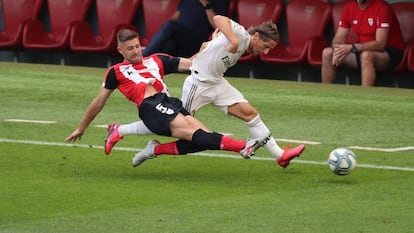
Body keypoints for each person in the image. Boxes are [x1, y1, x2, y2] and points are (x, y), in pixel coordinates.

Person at [105, 16, 305, 168]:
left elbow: (212, 50)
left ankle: (280, 156)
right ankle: (144, 143)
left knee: (249, 113)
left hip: (217, 83)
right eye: (266, 46)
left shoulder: (241, 42)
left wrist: (214, 42)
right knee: (183, 131)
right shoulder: (242, 35)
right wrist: (233, 40)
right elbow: (218, 18)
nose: (266, 52)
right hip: (198, 84)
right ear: (256, 36)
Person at [65, 28, 264, 167]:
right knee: (195, 133)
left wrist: (209, 47)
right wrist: (81, 127)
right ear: (120, 50)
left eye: (137, 46)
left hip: (169, 103)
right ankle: (243, 146)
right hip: (150, 106)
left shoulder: (156, 59)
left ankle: (153, 149)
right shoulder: (116, 72)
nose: (136, 51)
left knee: (202, 139)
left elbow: (192, 64)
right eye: (130, 48)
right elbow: (99, 101)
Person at [321, 0, 405, 86]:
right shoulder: (349, 7)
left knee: (366, 56)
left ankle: (365, 96)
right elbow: (338, 38)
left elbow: (380, 44)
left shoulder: (382, 7)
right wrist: (337, 49)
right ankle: (325, 95)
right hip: (362, 49)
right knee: (327, 53)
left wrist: (352, 47)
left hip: (391, 52)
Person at [142, 0, 229, 58]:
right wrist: (164, 32)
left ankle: (143, 56)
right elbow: (177, 15)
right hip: (177, 40)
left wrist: (206, 4)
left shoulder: (219, 1)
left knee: (170, 26)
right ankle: (144, 66)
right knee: (164, 45)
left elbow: (219, 26)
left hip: (197, 42)